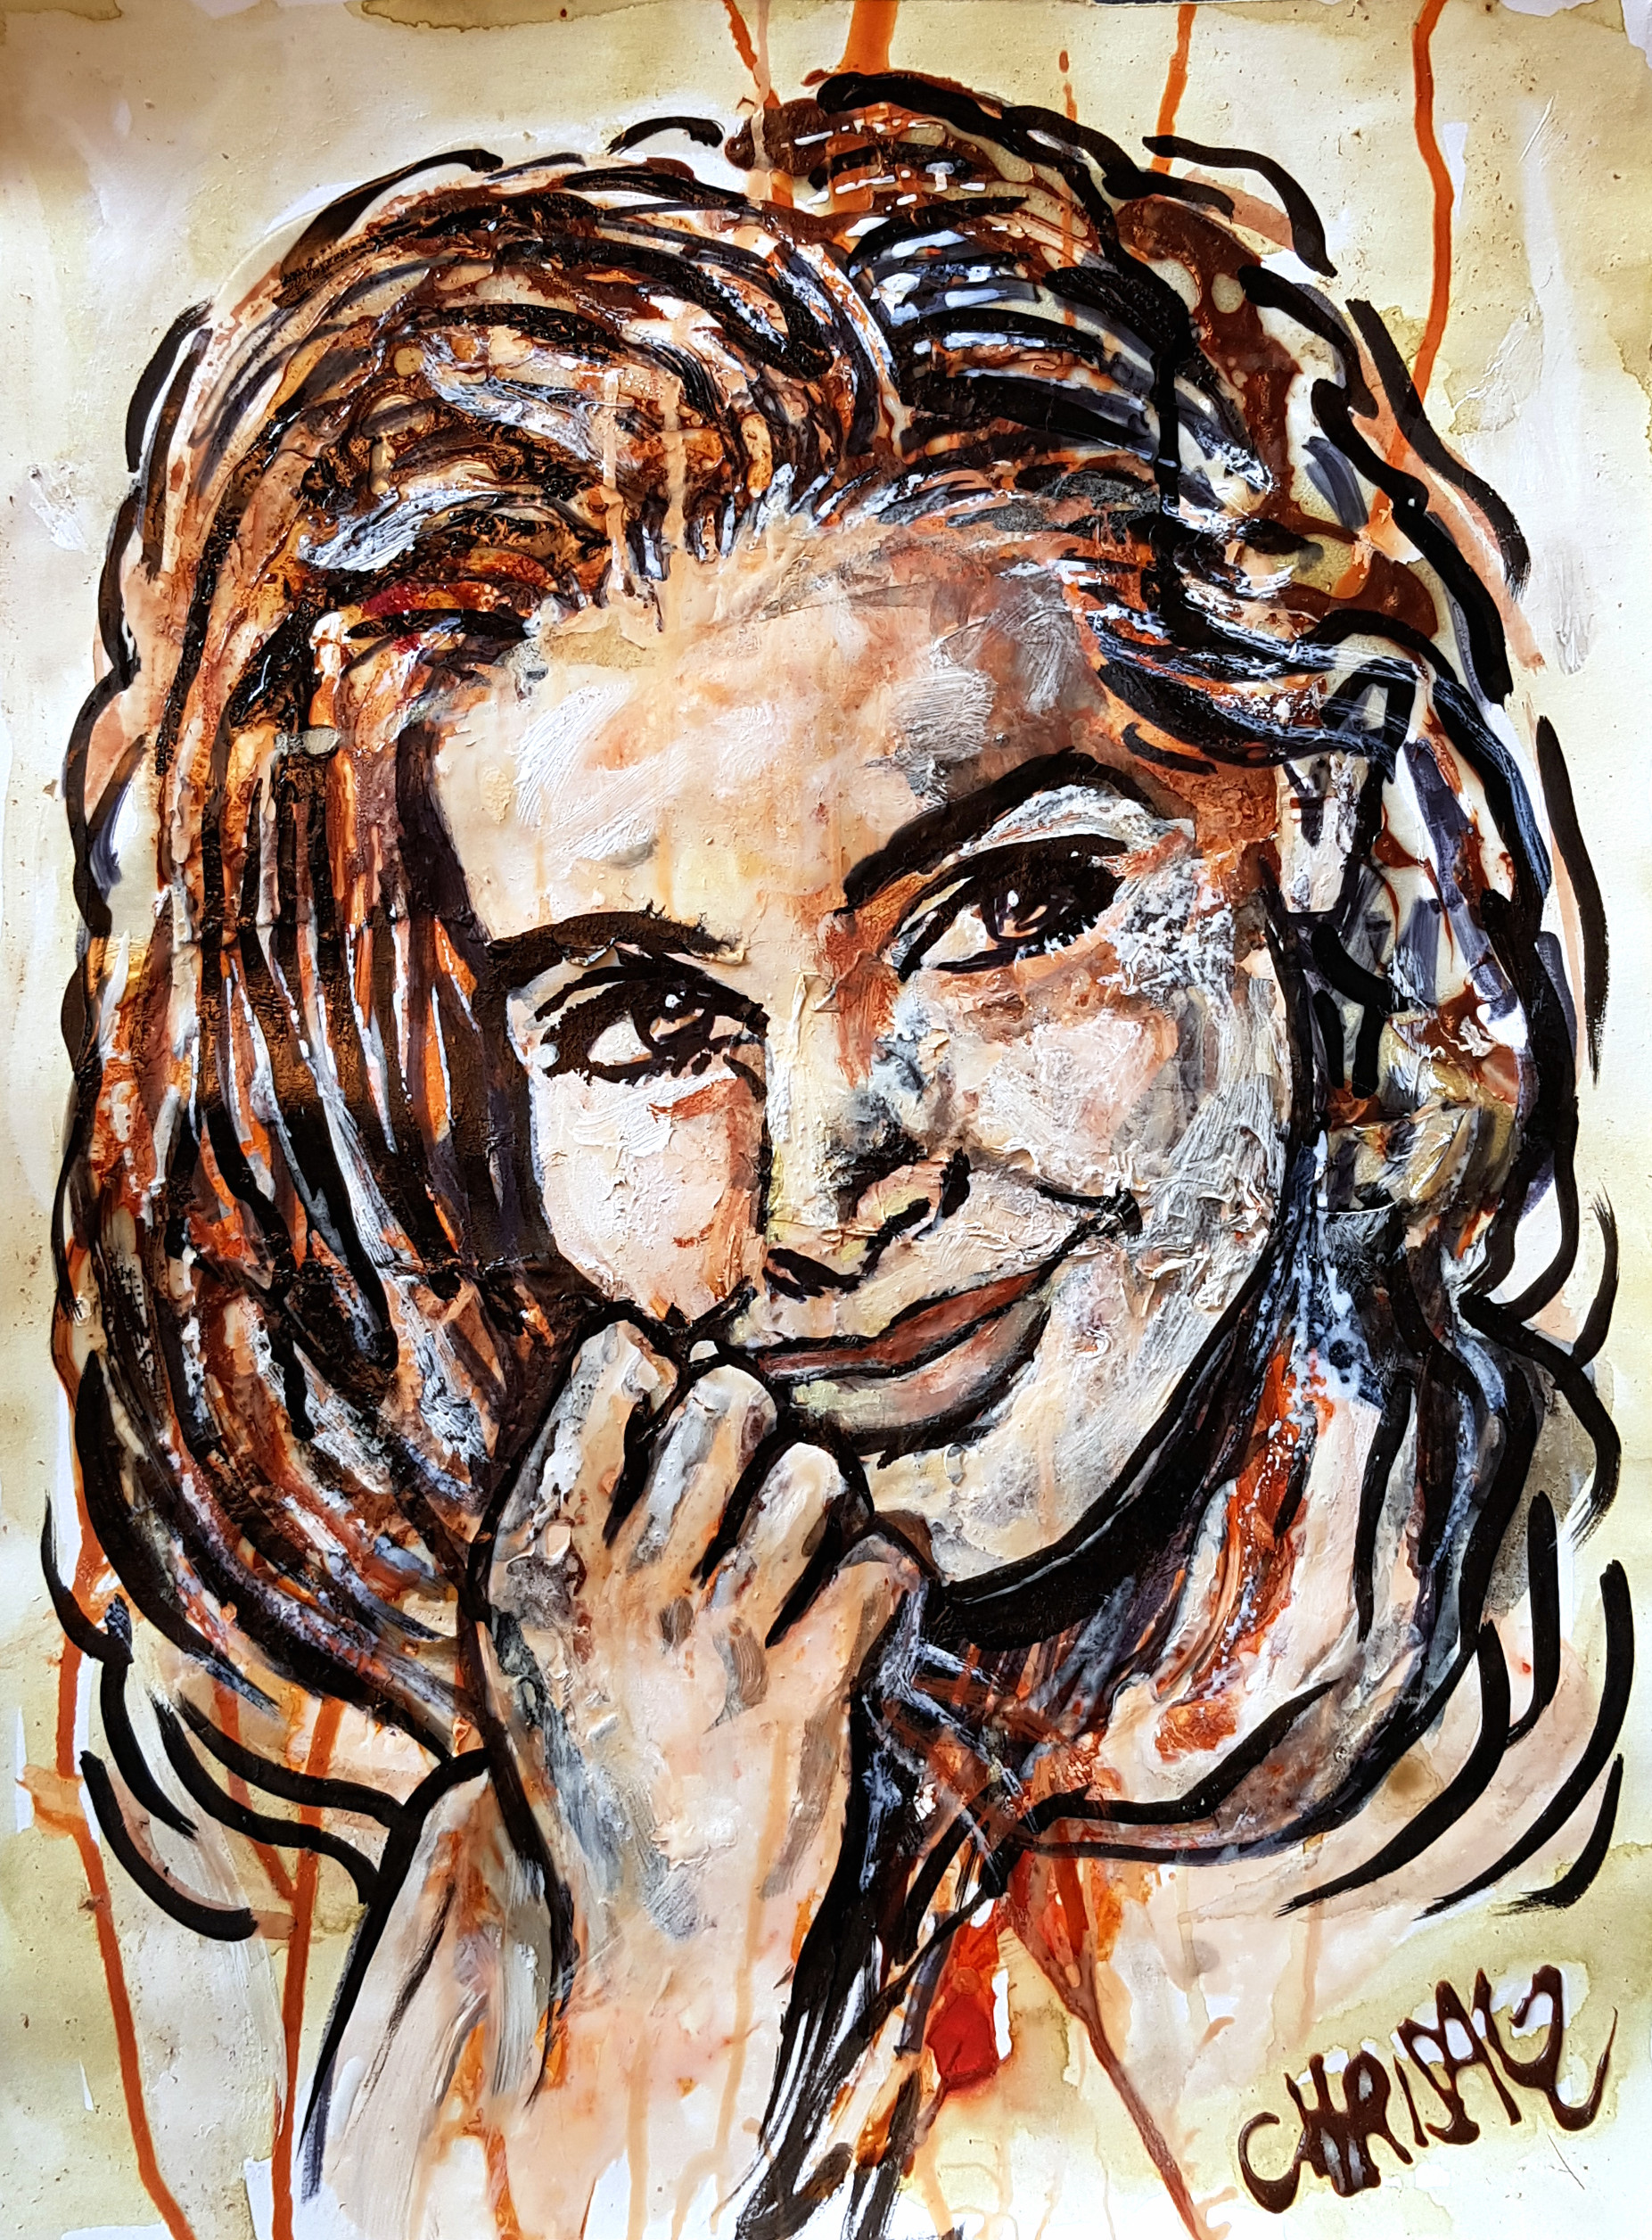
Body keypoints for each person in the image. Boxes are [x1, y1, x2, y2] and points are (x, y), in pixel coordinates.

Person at [51, 70, 1623, 2240]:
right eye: (640, 1017)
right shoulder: (518, 1926)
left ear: (1311, 817)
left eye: (1009, 908)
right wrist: (661, 1991)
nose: (830, 1178)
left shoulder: (1581, 1686)